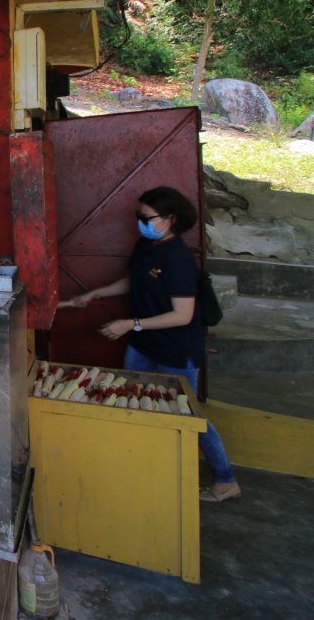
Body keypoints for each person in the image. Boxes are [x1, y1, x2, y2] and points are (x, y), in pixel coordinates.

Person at [64, 186, 240, 502]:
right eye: (138, 216)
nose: (140, 222)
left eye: (146, 217)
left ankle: (225, 479)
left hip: (175, 348)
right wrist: (97, 293)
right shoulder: (147, 245)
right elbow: (136, 280)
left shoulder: (179, 259)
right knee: (132, 400)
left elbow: (182, 315)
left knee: (187, 414)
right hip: (143, 344)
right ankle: (143, 466)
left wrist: (130, 324)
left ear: (170, 219)